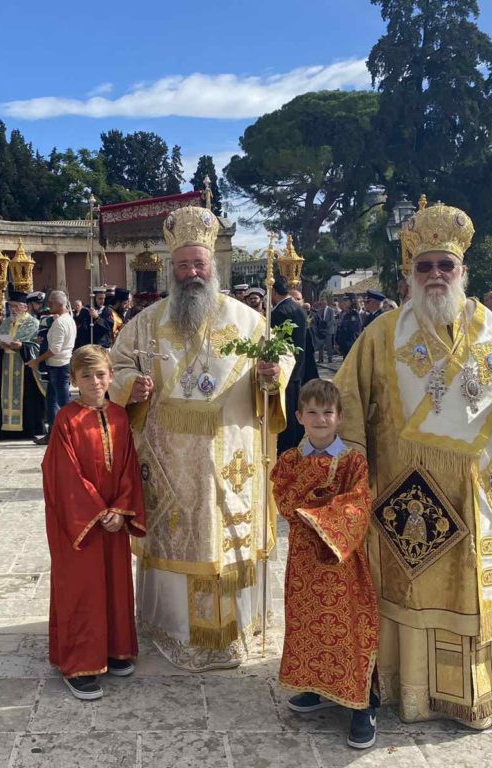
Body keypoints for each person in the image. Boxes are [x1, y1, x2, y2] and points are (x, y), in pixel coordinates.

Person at [333, 202, 492, 729]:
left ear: (463, 273)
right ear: (409, 274)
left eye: (445, 267)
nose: (435, 275)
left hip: (479, 493)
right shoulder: (382, 334)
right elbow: (345, 401)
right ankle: (406, 691)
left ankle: (475, 695)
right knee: (408, 587)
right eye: (425, 266)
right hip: (402, 492)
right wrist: (351, 474)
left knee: (473, 587)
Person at [109, 206, 293, 671]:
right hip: (171, 461)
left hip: (234, 454)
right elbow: (118, 365)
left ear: (213, 266)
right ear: (172, 270)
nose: (192, 273)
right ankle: (172, 627)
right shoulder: (147, 322)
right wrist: (132, 386)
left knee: (229, 533)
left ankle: (235, 628)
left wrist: (274, 376)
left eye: (199, 264)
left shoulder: (250, 320)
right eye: (183, 266)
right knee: (178, 537)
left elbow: (279, 359)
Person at [272, 379, 378, 750]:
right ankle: (316, 687)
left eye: (327, 413)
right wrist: (315, 503)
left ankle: (362, 705)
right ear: (299, 416)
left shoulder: (353, 462)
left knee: (346, 628)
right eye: (312, 412)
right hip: (303, 562)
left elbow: (357, 503)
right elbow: (284, 500)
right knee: (308, 625)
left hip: (340, 561)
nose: (320, 419)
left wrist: (319, 513)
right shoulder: (289, 460)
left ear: (339, 417)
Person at [43, 345, 146, 699]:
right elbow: (63, 473)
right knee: (83, 587)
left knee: (114, 582)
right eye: (86, 376)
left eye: (100, 374)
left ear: (111, 376)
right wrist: (97, 511)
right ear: (72, 380)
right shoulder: (66, 420)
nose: (94, 381)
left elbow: (129, 468)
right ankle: (79, 663)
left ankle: (114, 648)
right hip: (80, 523)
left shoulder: (119, 417)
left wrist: (121, 509)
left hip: (113, 520)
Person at [0, 291, 46, 440]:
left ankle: (28, 429)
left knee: (26, 398)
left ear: (24, 308)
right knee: (5, 397)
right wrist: (0, 345)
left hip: (25, 368)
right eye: (11, 307)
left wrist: (22, 346)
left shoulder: (33, 323)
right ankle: (6, 430)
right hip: (7, 367)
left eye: (16, 307)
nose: (13, 310)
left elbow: (38, 346)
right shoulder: (6, 323)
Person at [28, 290, 75, 446]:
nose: (48, 306)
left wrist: (37, 360)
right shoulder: (68, 319)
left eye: (51, 303)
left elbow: (55, 349)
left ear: (60, 304)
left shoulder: (61, 322)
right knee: (52, 401)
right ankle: (53, 434)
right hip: (60, 364)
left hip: (59, 366)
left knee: (62, 403)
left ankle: (71, 434)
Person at [271, 278, 311, 455]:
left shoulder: (280, 312)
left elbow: (275, 345)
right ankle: (295, 446)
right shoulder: (298, 309)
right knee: (294, 412)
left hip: (283, 371)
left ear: (273, 291)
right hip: (298, 370)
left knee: (286, 414)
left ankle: (286, 451)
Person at [313, 299, 338, 364]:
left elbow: (332, 320)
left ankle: (330, 358)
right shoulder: (320, 310)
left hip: (329, 331)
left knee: (329, 345)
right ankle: (320, 359)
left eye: (322, 304)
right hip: (321, 331)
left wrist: (326, 326)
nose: (321, 305)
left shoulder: (331, 310)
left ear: (325, 303)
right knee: (321, 345)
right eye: (320, 304)